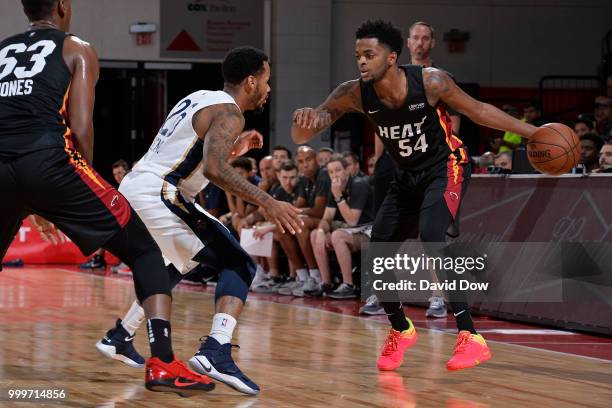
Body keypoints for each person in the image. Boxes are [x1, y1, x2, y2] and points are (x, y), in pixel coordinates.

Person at [291, 20, 539, 372]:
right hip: (405, 175)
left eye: (369, 55)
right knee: (378, 249)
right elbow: (307, 128)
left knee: (432, 235)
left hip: (446, 165)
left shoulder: (431, 81)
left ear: (391, 58)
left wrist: (534, 133)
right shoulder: (353, 92)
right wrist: (303, 122)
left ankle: (471, 337)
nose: (361, 62)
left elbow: (479, 111)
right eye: (357, 55)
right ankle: (400, 328)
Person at [0, 0, 213, 395]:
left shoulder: (1, 50)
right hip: (49, 163)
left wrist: (31, 200)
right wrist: (66, 190)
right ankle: (164, 362)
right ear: (64, 5)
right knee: (146, 251)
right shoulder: (76, 47)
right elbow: (80, 127)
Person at [96, 46, 303, 395]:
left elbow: (194, 155)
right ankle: (216, 351)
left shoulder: (200, 98)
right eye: (267, 81)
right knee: (238, 263)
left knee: (178, 263)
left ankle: (121, 334)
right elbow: (213, 168)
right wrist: (269, 202)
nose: (269, 89)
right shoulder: (230, 112)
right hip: (159, 193)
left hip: (137, 187)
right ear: (251, 82)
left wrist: (236, 148)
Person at [308, 154, 374, 298]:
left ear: (347, 170)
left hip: (369, 232)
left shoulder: (359, 184)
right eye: (330, 172)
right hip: (352, 232)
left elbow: (352, 221)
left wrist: (338, 196)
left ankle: (348, 285)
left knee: (337, 235)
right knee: (315, 234)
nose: (334, 175)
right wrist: (320, 231)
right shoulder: (335, 187)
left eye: (337, 170)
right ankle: (326, 283)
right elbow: (327, 217)